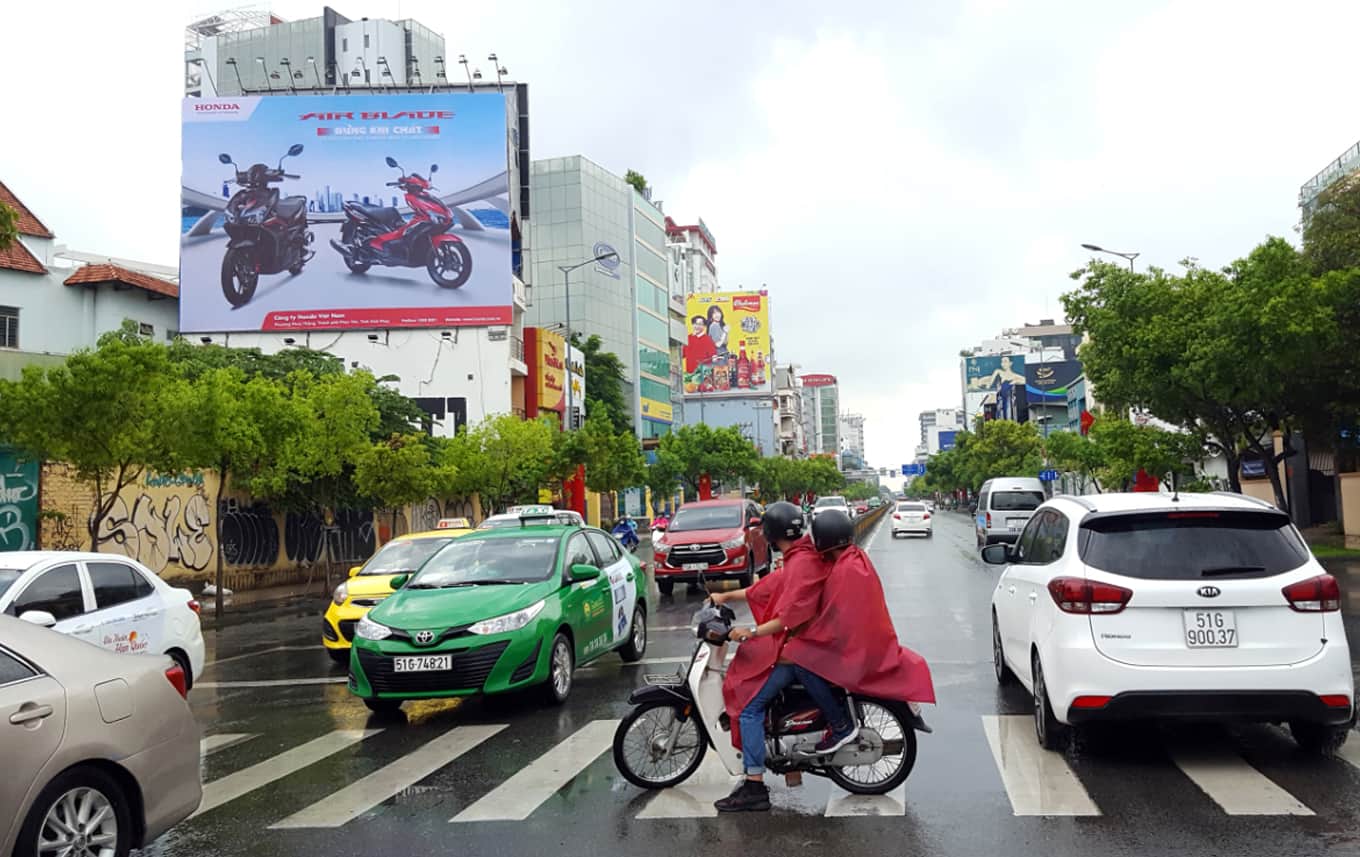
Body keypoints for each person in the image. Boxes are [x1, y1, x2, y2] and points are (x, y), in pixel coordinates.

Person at [710, 502, 854, 813]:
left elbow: (789, 617)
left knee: (748, 709)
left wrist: (751, 632)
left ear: (772, 534)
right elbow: (767, 587)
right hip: (808, 642)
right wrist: (725, 596)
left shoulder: (800, 563)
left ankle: (754, 785)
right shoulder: (799, 557)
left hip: (804, 645)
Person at [784, 511, 936, 753]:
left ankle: (840, 725)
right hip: (869, 640)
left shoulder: (844, 571)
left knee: (802, 662)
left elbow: (833, 616)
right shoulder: (856, 559)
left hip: (855, 648)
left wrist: (801, 632)